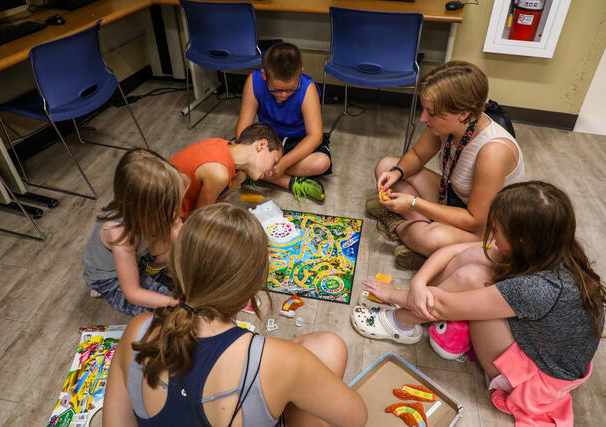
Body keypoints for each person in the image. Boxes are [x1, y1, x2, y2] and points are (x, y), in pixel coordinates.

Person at [353, 181, 604, 425]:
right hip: (542, 348)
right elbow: (455, 250)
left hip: (533, 379)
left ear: (522, 242)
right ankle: (422, 307)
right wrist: (418, 285)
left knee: (472, 277)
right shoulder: (550, 250)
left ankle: (402, 322)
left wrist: (395, 294)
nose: (491, 236)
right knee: (476, 256)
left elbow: (442, 305)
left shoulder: (537, 287)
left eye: (497, 231)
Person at [103, 204, 368, 427]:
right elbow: (355, 417)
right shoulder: (281, 361)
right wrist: (295, 395)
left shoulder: (138, 329)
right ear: (252, 288)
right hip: (270, 371)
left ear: (178, 268)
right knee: (328, 350)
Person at [368, 61, 525, 270]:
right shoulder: (450, 124)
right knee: (386, 165)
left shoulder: (493, 151)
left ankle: (402, 228)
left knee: (435, 239)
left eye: (431, 113)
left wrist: (414, 204)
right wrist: (397, 173)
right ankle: (425, 244)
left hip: (485, 228)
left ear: (463, 113)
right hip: (453, 196)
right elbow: (416, 154)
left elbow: (475, 220)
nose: (423, 118)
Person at [82, 149, 188, 316]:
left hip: (136, 256)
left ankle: (148, 272)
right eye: (172, 206)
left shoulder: (141, 210)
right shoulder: (117, 232)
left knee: (176, 241)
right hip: (111, 279)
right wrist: (172, 302)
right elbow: (133, 293)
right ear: (148, 208)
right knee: (170, 313)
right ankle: (103, 288)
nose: (177, 210)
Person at [236, 42, 331, 202]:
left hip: (298, 141)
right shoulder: (253, 81)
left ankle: (256, 174)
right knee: (232, 150)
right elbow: (242, 130)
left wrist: (284, 163)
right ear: (265, 75)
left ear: (300, 74)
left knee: (321, 163)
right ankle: (289, 182)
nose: (283, 95)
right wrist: (249, 152)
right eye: (277, 89)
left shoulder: (308, 88)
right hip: (267, 138)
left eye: (291, 89)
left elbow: (315, 137)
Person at [169, 122, 282, 220]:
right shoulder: (219, 173)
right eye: (274, 162)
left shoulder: (221, 144)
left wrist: (232, 187)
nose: (272, 171)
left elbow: (211, 203)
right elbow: (198, 221)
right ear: (261, 145)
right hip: (165, 219)